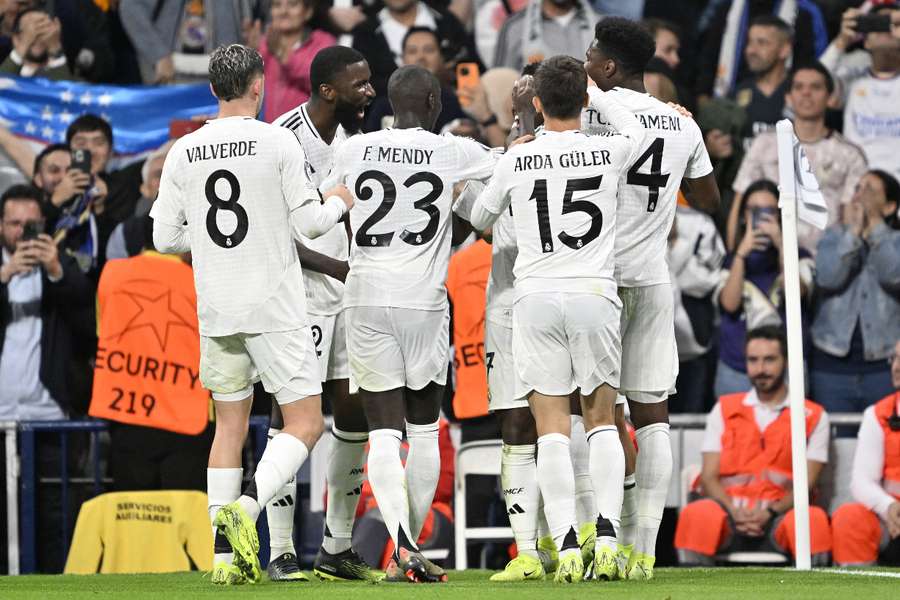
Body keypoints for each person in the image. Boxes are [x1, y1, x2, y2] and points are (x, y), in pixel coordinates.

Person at [149, 43, 353, 586]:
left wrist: (213, 246)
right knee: (306, 423)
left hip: (217, 305)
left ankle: (223, 561)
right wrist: (338, 199)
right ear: (258, 86)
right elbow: (311, 224)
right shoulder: (275, 141)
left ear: (214, 89)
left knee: (230, 429)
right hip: (274, 305)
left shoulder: (183, 151)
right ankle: (245, 510)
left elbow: (163, 237)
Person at [470, 54, 646, 583]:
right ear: (587, 100)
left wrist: (512, 157)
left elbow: (480, 220)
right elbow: (635, 128)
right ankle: (609, 537)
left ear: (538, 103)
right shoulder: (608, 150)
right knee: (601, 421)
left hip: (536, 297)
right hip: (594, 293)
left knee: (549, 432)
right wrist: (599, 93)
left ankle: (567, 543)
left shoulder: (517, 159)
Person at [322, 64, 497, 582]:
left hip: (365, 297)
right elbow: (507, 171)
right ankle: (406, 550)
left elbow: (327, 206)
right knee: (423, 433)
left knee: (381, 435)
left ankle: (399, 547)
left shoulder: (352, 148)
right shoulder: (453, 150)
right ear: (433, 102)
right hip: (423, 302)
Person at [583, 17, 720, 581]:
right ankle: (644, 553)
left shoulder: (586, 115)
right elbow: (710, 197)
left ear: (609, 66)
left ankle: (602, 539)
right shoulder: (680, 123)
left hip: (597, 279)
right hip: (653, 281)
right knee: (653, 417)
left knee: (590, 414)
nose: (585, 61)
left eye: (591, 54)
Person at [271, 45, 378, 583]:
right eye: (360, 84)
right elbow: (274, 233)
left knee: (353, 414)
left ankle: (337, 547)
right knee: (292, 420)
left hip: (348, 295)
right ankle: (282, 550)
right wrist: (335, 267)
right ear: (328, 89)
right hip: (300, 296)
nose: (371, 91)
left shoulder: (355, 141)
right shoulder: (283, 138)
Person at [674, 326, 833, 566]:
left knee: (813, 521)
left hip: (781, 516)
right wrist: (733, 510)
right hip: (728, 514)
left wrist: (769, 512)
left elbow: (807, 483)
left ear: (787, 362)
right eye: (753, 360)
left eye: (769, 360)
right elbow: (709, 477)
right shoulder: (724, 409)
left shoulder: (813, 415)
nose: (760, 369)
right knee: (697, 515)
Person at [90, 228, 213, 492]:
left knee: (135, 524)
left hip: (127, 416)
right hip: (188, 422)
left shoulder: (111, 274)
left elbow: (102, 332)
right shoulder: (201, 282)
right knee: (184, 525)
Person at [728, 61, 868, 254]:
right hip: (768, 258)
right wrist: (734, 257)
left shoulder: (851, 155)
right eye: (799, 87)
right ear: (788, 97)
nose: (806, 93)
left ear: (831, 98)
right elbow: (740, 203)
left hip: (824, 262)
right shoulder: (765, 144)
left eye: (816, 87)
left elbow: (852, 221)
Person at [809, 170, 900, 413]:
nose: (861, 196)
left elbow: (893, 274)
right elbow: (828, 278)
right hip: (831, 365)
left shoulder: (896, 241)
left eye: (870, 191)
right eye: (858, 188)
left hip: (884, 366)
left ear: (890, 206)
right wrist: (853, 233)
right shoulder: (833, 237)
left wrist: (876, 228)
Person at [715, 179, 813, 398]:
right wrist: (741, 254)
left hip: (788, 369)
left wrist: (781, 243)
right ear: (743, 216)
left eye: (769, 210)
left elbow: (795, 294)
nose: (761, 217)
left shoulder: (800, 257)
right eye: (754, 211)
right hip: (736, 368)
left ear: (780, 214)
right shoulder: (730, 260)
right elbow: (729, 304)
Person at [831, 339, 900, 567]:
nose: (897, 366)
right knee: (849, 517)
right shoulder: (878, 415)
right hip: (891, 518)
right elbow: (861, 482)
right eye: (895, 358)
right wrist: (888, 506)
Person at [668, 205, 726, 414]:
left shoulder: (700, 224)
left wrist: (675, 245)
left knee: (692, 419)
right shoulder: (634, 219)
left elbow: (708, 280)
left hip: (694, 349)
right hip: (649, 351)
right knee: (651, 425)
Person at [350, 0, 473, 96]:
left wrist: (448, 77)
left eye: (429, 49)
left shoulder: (447, 21)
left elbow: (471, 67)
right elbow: (360, 86)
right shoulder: (365, 33)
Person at [364, 26, 469, 135]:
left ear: (442, 57)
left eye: (429, 50)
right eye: (412, 51)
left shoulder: (456, 102)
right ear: (402, 59)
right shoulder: (384, 105)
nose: (421, 57)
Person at [119, 0, 252, 84]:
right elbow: (131, 8)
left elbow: (262, 14)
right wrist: (158, 54)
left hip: (225, 82)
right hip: (171, 78)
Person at [841, 3, 900, 182]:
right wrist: (841, 41)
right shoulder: (850, 79)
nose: (886, 29)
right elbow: (811, 79)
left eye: (894, 24)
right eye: (877, 24)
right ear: (865, 41)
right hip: (857, 182)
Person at [257, 0, 336, 123]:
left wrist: (283, 56)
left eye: (293, 5)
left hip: (307, 133)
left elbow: (324, 84)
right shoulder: (264, 45)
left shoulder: (323, 42)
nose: (284, 12)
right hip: (269, 134)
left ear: (308, 12)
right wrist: (249, 51)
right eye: (277, 5)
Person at [731, 15, 792, 144]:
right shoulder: (736, 94)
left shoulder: (800, 93)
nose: (750, 50)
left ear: (784, 50)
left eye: (762, 43)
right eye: (749, 42)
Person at [105, 143, 172, 261]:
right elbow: (117, 277)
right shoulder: (126, 234)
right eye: (159, 174)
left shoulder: (210, 226)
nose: (169, 179)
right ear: (145, 190)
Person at [492, 0, 598, 72]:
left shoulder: (601, 24)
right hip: (534, 103)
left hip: (592, 103)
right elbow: (499, 83)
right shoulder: (514, 27)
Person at [0, 7, 74, 79]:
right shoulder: (8, 69)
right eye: (30, 31)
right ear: (16, 39)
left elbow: (66, 89)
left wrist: (56, 49)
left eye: (44, 29)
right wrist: (23, 47)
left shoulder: (66, 70)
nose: (37, 36)